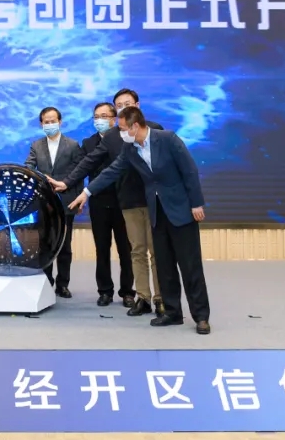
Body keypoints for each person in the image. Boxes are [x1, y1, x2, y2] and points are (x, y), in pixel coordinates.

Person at [66, 106, 211, 335]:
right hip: (156, 212)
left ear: (135, 126)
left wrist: (196, 203)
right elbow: (111, 171)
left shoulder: (167, 139)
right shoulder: (130, 148)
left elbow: (189, 171)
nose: (120, 133)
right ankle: (172, 312)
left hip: (181, 210)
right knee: (164, 266)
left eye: (123, 128)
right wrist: (86, 193)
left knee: (189, 265)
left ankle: (201, 316)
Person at [49, 88, 165, 317]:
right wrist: (67, 182)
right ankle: (143, 297)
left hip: (153, 201)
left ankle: (161, 299)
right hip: (127, 202)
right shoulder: (113, 136)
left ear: (137, 105)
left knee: (156, 252)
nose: (123, 108)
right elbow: (90, 162)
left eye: (127, 103)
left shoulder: (156, 130)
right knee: (136, 252)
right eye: (119, 105)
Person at [79, 102, 136, 307]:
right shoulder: (88, 143)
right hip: (99, 202)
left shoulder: (124, 139)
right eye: (96, 116)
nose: (99, 120)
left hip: (122, 201)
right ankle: (104, 291)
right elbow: (83, 168)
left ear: (114, 119)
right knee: (102, 249)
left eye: (104, 116)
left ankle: (128, 292)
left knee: (126, 249)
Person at [24, 106, 83, 297]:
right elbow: (28, 167)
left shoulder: (73, 145)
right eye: (46, 122)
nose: (50, 124)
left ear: (60, 122)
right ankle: (46, 280)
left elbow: (79, 173)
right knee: (45, 244)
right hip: (43, 202)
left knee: (65, 246)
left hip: (66, 202)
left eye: (53, 121)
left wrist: (78, 199)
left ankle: (63, 284)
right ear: (41, 124)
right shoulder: (36, 145)